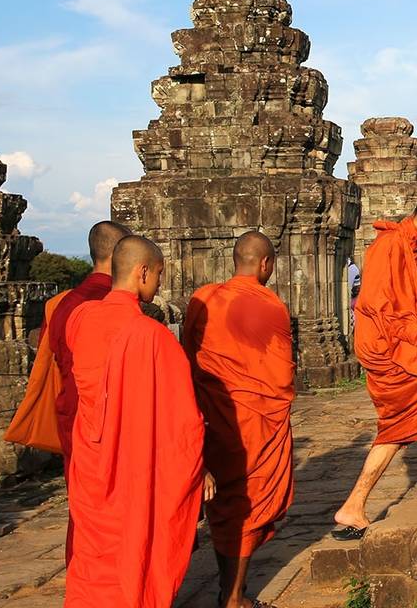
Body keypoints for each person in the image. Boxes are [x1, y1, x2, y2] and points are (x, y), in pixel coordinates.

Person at [63, 236, 207, 607]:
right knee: (134, 547)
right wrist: (199, 467)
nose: (159, 284)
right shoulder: (152, 335)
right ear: (142, 272)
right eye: (158, 275)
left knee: (93, 552)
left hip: (90, 457)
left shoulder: (79, 320)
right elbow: (183, 420)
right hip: (132, 463)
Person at [332, 187, 417, 540]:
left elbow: (410, 304)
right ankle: (354, 505)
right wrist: (414, 334)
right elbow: (376, 302)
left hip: (400, 337)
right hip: (383, 343)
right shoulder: (389, 245)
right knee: (401, 421)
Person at [183, 231, 295, 608]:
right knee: (249, 502)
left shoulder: (202, 299)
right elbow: (281, 377)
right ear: (265, 264)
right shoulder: (271, 305)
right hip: (256, 421)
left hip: (212, 418)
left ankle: (229, 590)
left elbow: (189, 358)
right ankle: (233, 597)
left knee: (223, 503)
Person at [5, 221, 130, 458]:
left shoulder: (59, 304)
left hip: (72, 417)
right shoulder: (115, 306)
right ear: (116, 255)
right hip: (111, 423)